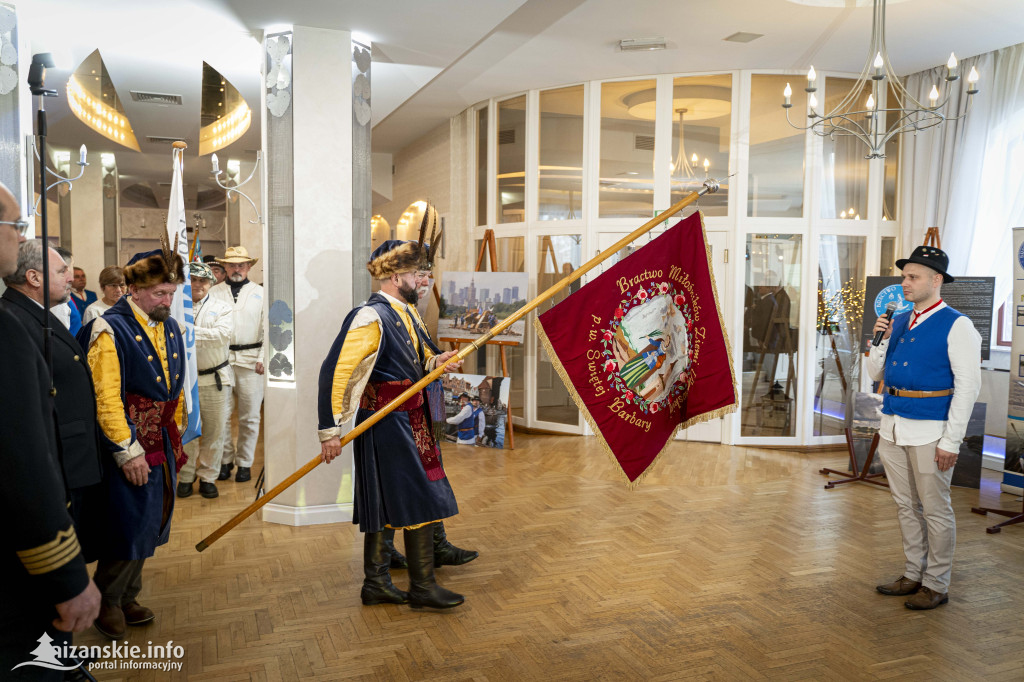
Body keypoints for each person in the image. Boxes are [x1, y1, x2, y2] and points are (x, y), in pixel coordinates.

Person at [318, 237, 467, 610]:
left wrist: (439, 361)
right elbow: (335, 373)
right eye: (418, 274)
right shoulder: (370, 316)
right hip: (387, 422)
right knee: (418, 497)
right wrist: (330, 430)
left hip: (410, 416)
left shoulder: (406, 312)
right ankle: (422, 587)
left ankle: (377, 583)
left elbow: (418, 361)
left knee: (387, 501)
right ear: (396, 274)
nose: (423, 280)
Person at [0, 184, 100, 677]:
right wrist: (68, 576)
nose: (18, 237)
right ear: (36, 277)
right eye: (14, 225)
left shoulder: (28, 317)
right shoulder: (11, 326)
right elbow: (21, 454)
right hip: (44, 491)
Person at [78, 245, 187, 638]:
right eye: (160, 293)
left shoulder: (169, 325)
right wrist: (127, 452)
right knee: (129, 522)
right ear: (133, 289)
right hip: (128, 445)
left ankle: (127, 594)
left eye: (171, 293)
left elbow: (173, 389)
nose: (167, 301)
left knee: (153, 518)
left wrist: (176, 436)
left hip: (160, 439)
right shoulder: (110, 328)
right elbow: (104, 397)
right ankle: (106, 598)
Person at [867, 245, 981, 611]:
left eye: (913, 277)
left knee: (934, 508)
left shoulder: (957, 324)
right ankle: (913, 573)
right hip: (892, 426)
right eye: (904, 276)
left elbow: (968, 388)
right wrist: (877, 339)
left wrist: (951, 440)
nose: (905, 283)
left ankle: (936, 583)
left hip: (932, 431)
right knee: (904, 506)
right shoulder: (898, 321)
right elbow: (875, 375)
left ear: (936, 280)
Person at [2, 240, 104, 556]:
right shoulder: (14, 321)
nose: (70, 277)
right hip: (57, 461)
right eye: (61, 271)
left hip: (72, 455)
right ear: (34, 278)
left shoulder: (35, 314)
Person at [177, 262, 234, 499]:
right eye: (193, 279)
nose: (198, 285)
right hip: (185, 382)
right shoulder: (175, 308)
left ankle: (209, 476)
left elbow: (221, 336)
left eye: (203, 281)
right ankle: (186, 476)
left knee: (215, 432)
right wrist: (186, 329)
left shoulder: (223, 307)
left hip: (215, 379)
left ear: (211, 283)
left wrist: (185, 331)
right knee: (187, 431)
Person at [209, 245, 264, 484]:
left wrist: (263, 357)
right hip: (219, 361)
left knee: (250, 416)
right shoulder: (212, 292)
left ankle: (245, 462)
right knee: (221, 416)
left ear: (249, 266)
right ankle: (225, 460)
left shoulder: (261, 293)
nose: (236, 269)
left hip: (252, 361)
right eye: (231, 265)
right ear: (225, 267)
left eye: (241, 264)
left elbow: (271, 328)